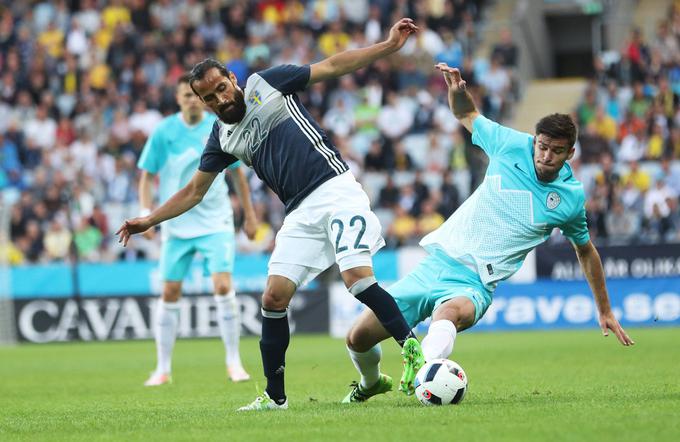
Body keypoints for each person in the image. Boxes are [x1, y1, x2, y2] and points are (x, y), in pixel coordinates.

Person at [116, 18, 424, 411]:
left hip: (335, 188)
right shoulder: (222, 137)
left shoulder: (267, 83)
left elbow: (331, 66)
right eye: (209, 98)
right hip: (298, 211)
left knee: (356, 278)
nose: (220, 100)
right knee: (273, 297)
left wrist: (387, 47)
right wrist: (148, 220)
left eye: (221, 88)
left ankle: (411, 347)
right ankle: (275, 397)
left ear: (233, 78)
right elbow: (195, 191)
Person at [341, 63, 634, 404]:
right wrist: (457, 89)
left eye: (556, 151)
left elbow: (586, 251)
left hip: (475, 283)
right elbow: (467, 113)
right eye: (542, 146)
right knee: (357, 337)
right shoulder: (510, 144)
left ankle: (425, 370)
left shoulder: (569, 199)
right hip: (436, 264)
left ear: (570, 153)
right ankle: (371, 382)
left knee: (447, 313)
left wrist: (605, 309)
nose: (545, 156)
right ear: (535, 141)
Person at [137, 74, 258, 387]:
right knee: (169, 292)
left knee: (221, 286)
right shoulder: (164, 131)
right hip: (177, 225)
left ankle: (234, 362)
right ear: (178, 99)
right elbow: (147, 175)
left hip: (215, 221)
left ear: (200, 99)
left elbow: (238, 176)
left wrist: (249, 214)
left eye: (195, 96)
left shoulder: (217, 126)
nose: (191, 100)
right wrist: (145, 213)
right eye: (185, 96)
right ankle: (162, 369)